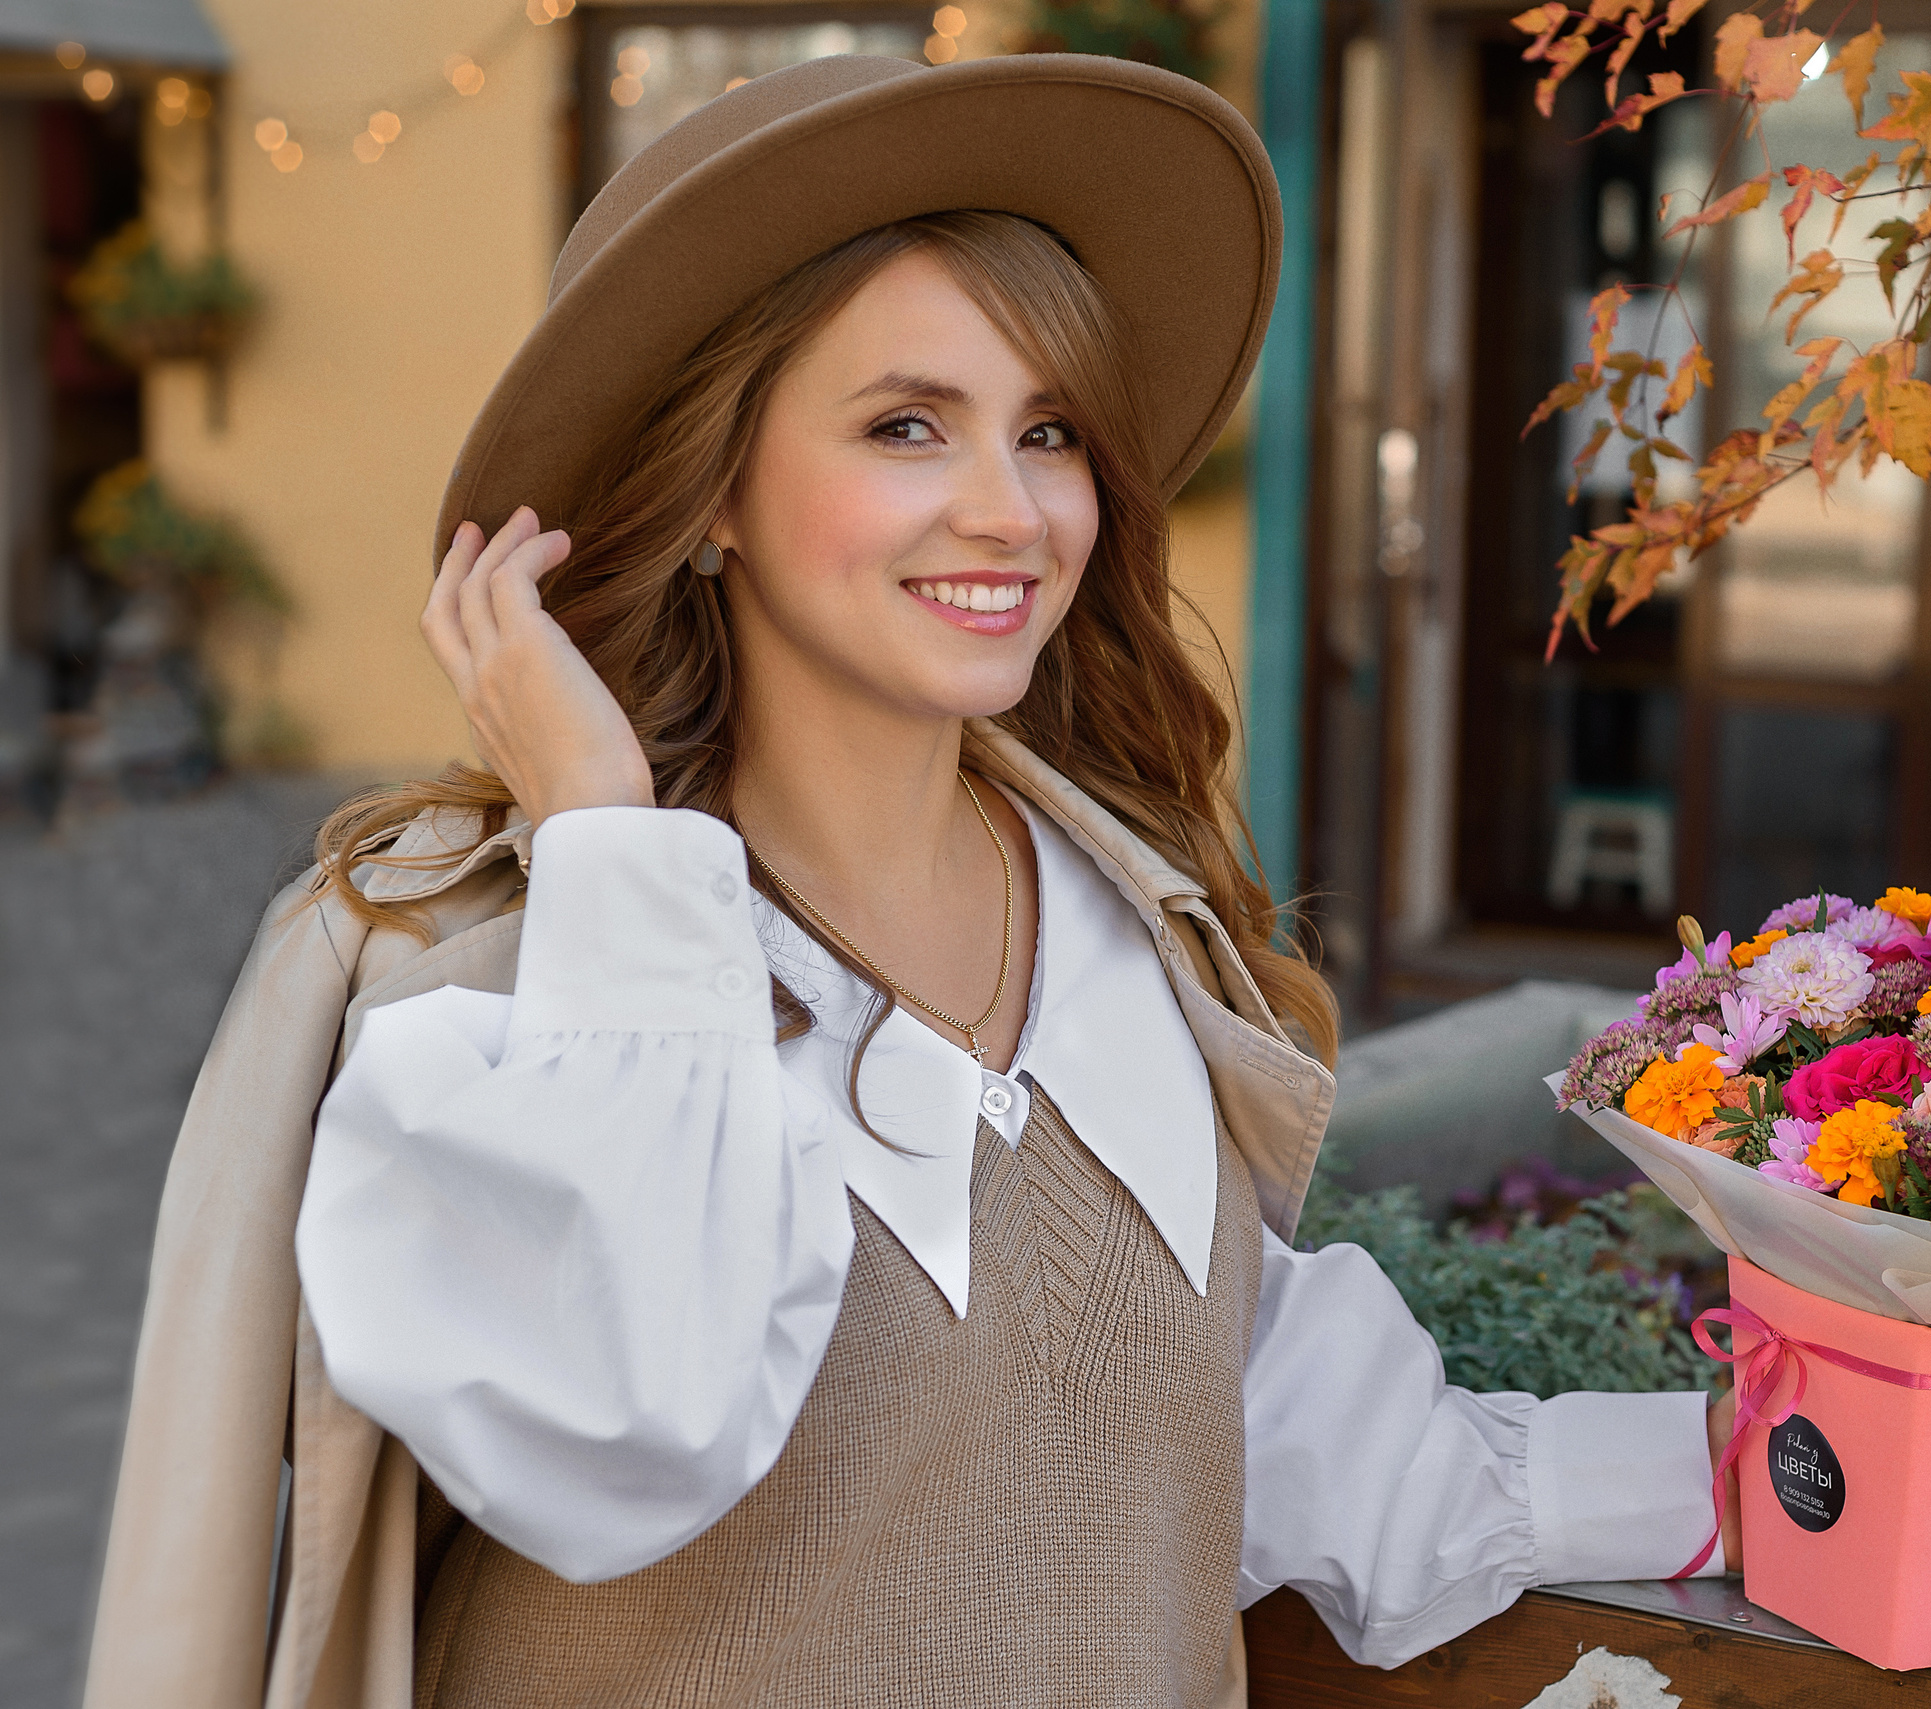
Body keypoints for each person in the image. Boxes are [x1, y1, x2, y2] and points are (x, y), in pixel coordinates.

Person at [82, 54, 1736, 1709]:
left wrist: (1783, 1460)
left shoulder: (1134, 940)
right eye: (905, 426)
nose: (1011, 513)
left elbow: (1279, 1437)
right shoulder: (490, 985)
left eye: (1051, 433)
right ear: (713, 489)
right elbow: (635, 1423)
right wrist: (602, 824)